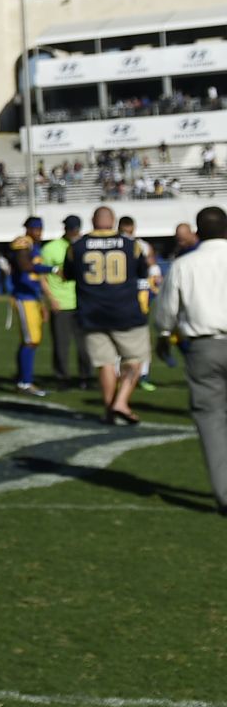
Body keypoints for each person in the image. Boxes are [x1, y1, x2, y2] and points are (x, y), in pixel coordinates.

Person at [154, 205, 227, 513]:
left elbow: (167, 309)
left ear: (197, 233)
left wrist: (163, 335)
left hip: (204, 345)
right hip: (206, 341)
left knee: (211, 420)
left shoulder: (185, 264)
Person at [63, 205, 150, 425]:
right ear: (113, 221)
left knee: (105, 363)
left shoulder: (77, 246)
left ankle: (109, 409)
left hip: (91, 312)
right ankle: (120, 402)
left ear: (92, 221)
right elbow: (143, 272)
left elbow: (68, 275)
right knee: (134, 359)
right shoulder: (132, 244)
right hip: (125, 311)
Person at [40, 214, 86, 388]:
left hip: (82, 301)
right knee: (61, 344)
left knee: (85, 345)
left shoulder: (83, 246)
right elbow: (42, 277)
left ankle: (85, 377)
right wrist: (51, 299)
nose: (72, 232)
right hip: (61, 302)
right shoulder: (51, 248)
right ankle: (62, 378)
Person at [118, 214, 162, 392]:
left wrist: (156, 276)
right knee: (119, 338)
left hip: (138, 296)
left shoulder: (141, 245)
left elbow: (152, 265)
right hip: (121, 297)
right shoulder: (117, 245)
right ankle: (119, 374)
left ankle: (142, 374)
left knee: (141, 338)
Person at [6, 216, 49, 396]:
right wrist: (52, 269)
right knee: (31, 341)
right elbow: (24, 266)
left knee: (31, 340)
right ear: (28, 229)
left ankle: (23, 379)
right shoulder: (23, 243)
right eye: (35, 229)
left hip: (33, 297)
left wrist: (43, 301)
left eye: (40, 229)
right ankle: (25, 382)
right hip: (23, 297)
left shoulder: (35, 246)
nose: (38, 232)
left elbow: (34, 276)